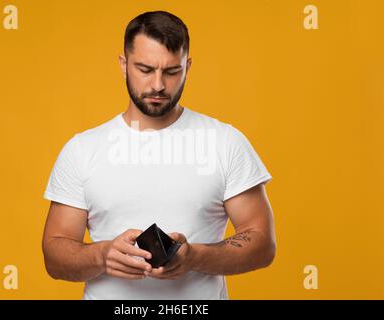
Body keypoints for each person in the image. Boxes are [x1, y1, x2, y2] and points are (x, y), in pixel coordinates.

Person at [42, 10, 276, 300]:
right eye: (145, 69)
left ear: (187, 67)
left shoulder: (225, 142)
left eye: (171, 71)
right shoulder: (82, 150)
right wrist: (103, 254)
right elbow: (54, 256)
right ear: (123, 65)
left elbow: (262, 244)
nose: (157, 85)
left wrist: (193, 257)